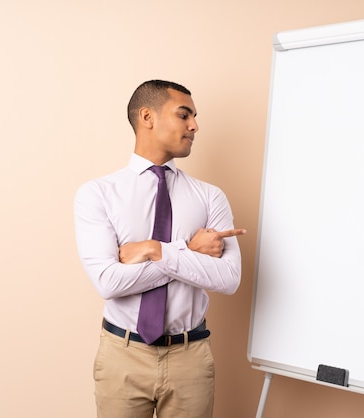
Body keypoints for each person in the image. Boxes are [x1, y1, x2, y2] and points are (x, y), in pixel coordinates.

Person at [74, 79, 246, 418]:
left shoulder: (210, 197)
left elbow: (228, 279)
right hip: (122, 356)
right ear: (147, 117)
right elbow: (108, 282)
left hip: (191, 357)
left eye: (194, 117)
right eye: (184, 115)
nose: (195, 125)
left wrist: (156, 250)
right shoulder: (98, 194)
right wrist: (188, 250)